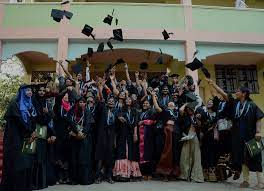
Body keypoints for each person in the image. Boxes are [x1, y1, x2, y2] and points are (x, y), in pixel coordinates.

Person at [1, 85, 37, 191]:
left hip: (25, 139)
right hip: (14, 140)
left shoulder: (30, 105)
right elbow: (20, 121)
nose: (30, 92)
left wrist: (32, 132)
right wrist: (30, 132)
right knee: (16, 165)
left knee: (26, 164)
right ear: (22, 92)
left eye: (31, 90)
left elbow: (33, 120)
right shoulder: (15, 104)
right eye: (28, 90)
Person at [113, 97, 142, 182]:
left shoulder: (135, 110)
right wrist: (118, 117)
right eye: (127, 100)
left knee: (131, 152)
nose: (128, 101)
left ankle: (132, 173)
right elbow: (116, 118)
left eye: (130, 99)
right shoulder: (121, 110)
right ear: (124, 101)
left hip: (131, 134)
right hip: (122, 133)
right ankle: (121, 174)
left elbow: (136, 123)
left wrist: (135, 134)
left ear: (132, 101)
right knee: (122, 151)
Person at [31, 84, 54, 190]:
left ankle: (41, 182)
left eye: (43, 91)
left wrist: (47, 113)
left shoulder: (45, 102)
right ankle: (33, 183)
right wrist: (45, 114)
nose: (41, 92)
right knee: (32, 155)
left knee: (41, 156)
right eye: (40, 90)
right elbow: (37, 118)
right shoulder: (33, 101)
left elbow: (47, 120)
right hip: (33, 130)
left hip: (43, 130)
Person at [69, 97, 94, 185]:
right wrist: (77, 133)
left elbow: (88, 124)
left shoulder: (87, 111)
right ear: (77, 103)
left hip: (84, 138)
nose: (82, 104)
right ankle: (74, 180)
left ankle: (84, 179)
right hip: (74, 137)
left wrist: (83, 133)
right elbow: (71, 122)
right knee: (74, 159)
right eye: (80, 102)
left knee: (83, 159)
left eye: (84, 102)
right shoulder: (72, 111)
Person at [178, 102, 204, 183]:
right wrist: (186, 104)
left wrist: (198, 119)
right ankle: (185, 175)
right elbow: (180, 110)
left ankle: (196, 176)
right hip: (186, 137)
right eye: (188, 109)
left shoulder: (197, 116)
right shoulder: (185, 116)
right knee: (185, 156)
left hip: (195, 137)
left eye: (191, 109)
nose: (189, 110)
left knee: (196, 157)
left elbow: (200, 126)